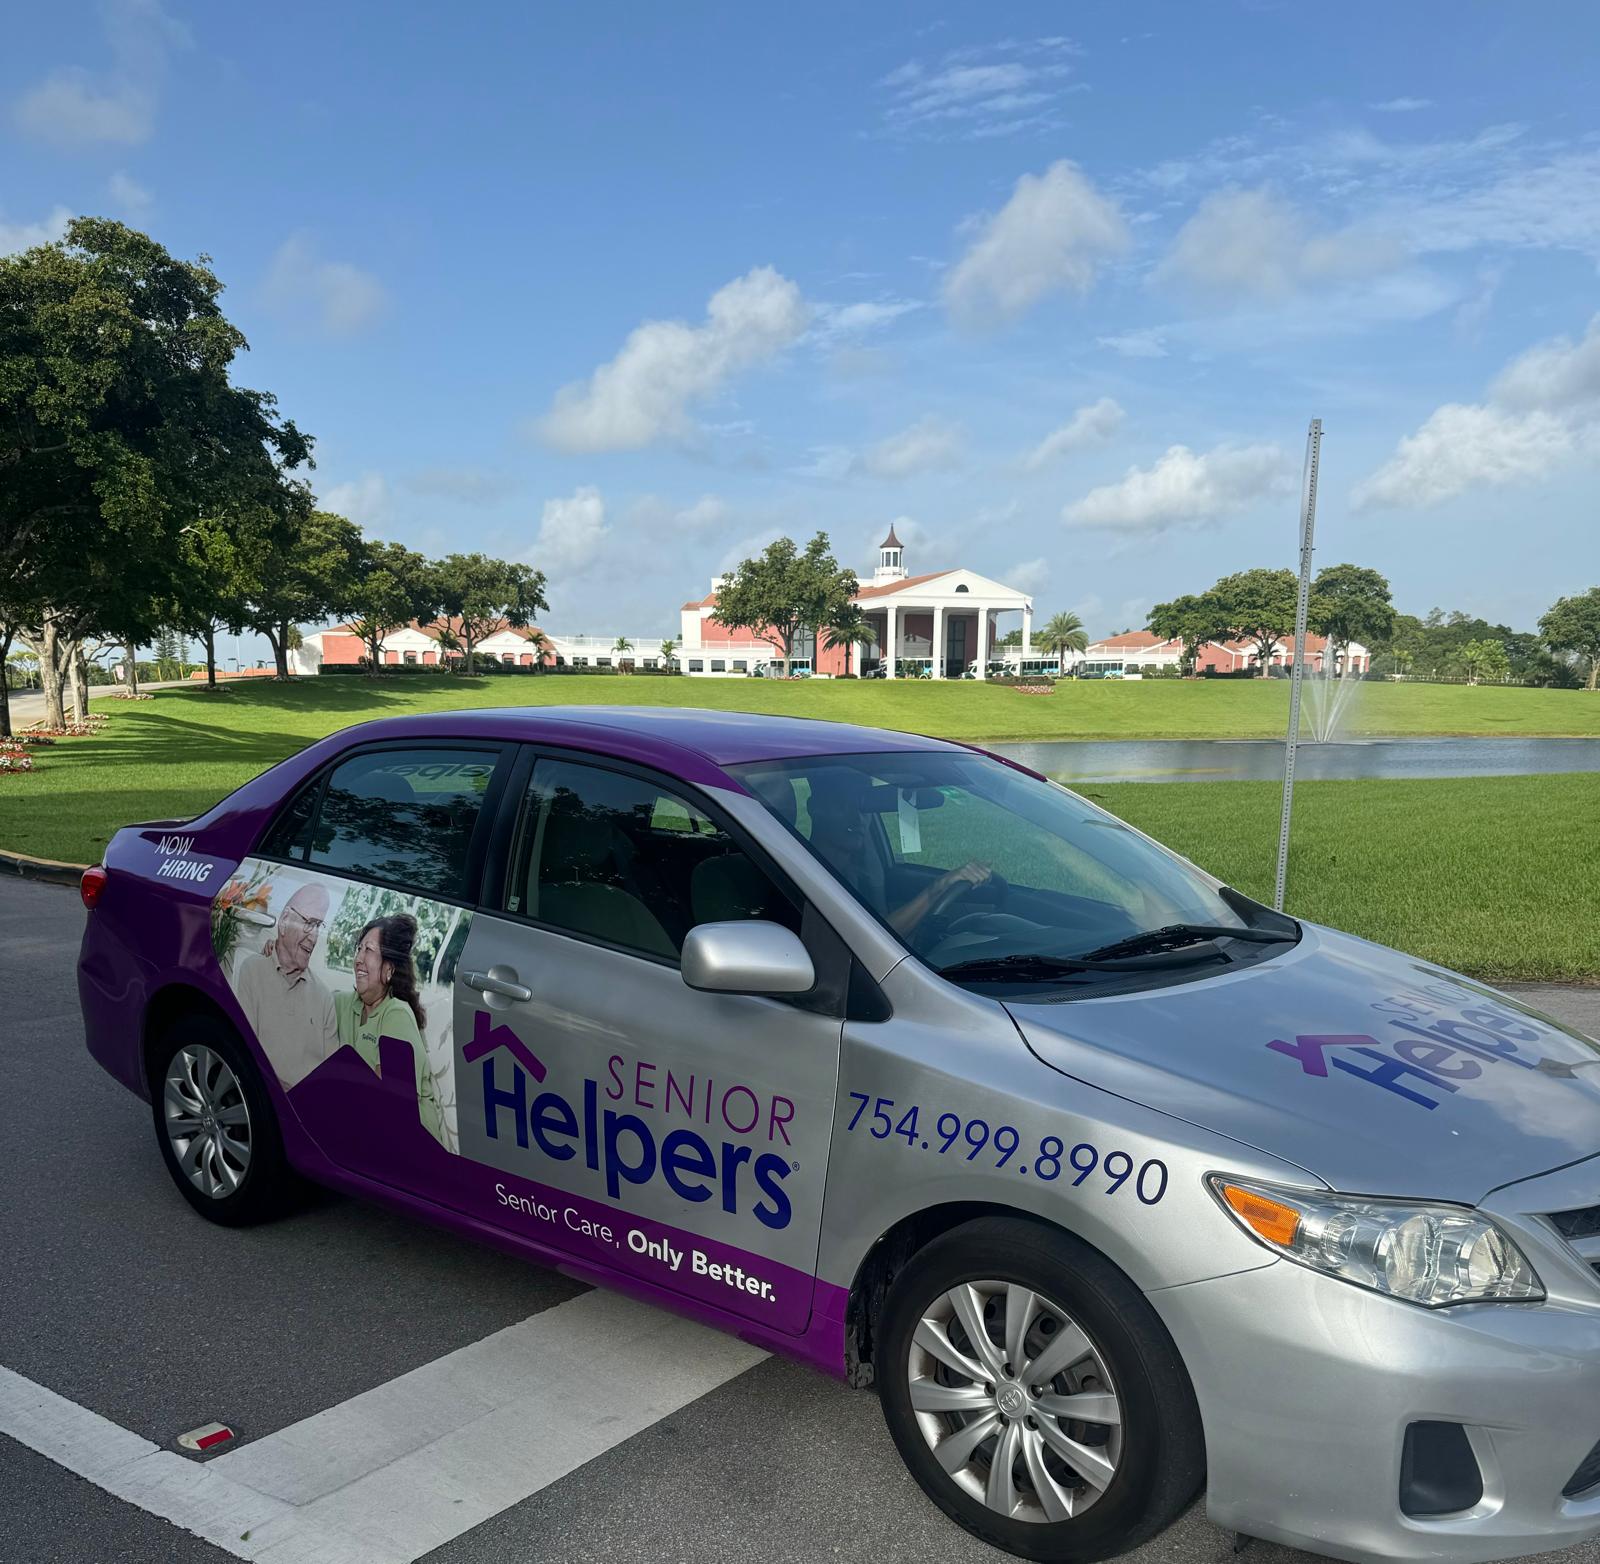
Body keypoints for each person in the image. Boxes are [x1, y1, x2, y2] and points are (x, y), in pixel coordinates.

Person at [802, 773, 992, 939]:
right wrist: (936, 888)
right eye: (842, 805)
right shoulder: (804, 877)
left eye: (863, 806)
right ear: (814, 808)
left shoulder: (854, 874)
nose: (858, 818)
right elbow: (872, 942)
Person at [335, 914, 449, 1148]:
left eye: (368, 950)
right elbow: (306, 997)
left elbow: (386, 1097)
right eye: (359, 948)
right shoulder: (345, 1004)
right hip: (367, 1135)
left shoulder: (396, 1014)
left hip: (411, 1145)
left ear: (389, 969)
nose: (358, 958)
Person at [234, 883, 339, 1089]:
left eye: (319, 926)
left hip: (310, 1106)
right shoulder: (252, 971)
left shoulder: (324, 997)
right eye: (309, 923)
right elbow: (244, 1053)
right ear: (283, 922)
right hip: (262, 1096)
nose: (314, 936)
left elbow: (331, 1075)